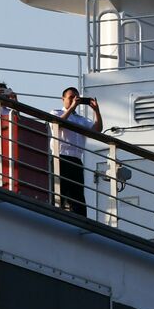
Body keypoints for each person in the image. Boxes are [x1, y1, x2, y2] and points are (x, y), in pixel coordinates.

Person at [53, 87, 102, 216]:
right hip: (60, 157)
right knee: (59, 191)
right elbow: (58, 123)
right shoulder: (56, 112)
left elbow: (97, 130)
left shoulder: (81, 119)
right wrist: (72, 107)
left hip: (76, 159)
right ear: (63, 99)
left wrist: (96, 111)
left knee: (77, 194)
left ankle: (81, 218)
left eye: (76, 98)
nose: (74, 100)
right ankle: (56, 213)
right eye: (70, 97)